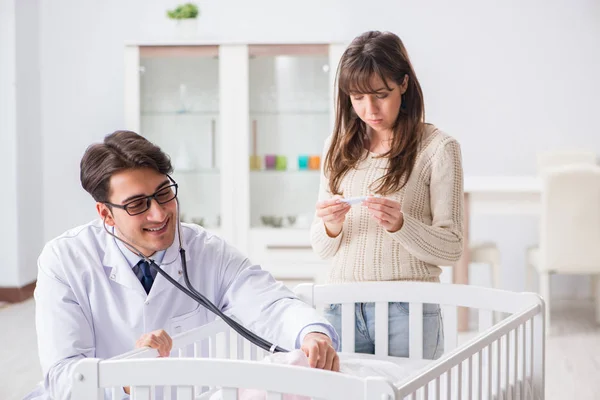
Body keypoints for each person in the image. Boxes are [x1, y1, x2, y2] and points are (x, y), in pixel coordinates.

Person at [27, 130, 340, 400]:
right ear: (105, 214)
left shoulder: (203, 249)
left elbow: (267, 301)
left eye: (164, 193)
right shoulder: (65, 261)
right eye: (137, 204)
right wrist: (126, 376)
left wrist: (311, 333)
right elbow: (63, 377)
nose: (159, 214)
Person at [310, 31, 464, 359]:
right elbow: (322, 248)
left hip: (407, 308)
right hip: (341, 306)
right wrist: (331, 227)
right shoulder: (335, 147)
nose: (370, 109)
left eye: (381, 94)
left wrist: (401, 225)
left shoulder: (438, 148)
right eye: (358, 97)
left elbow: (451, 249)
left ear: (404, 84)